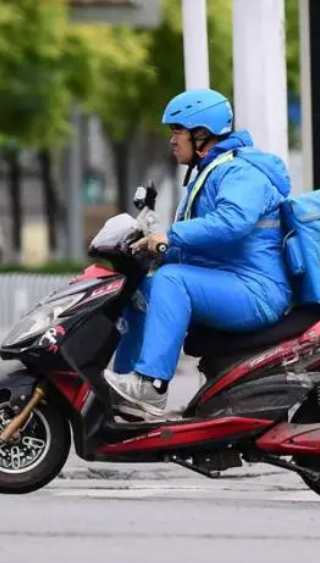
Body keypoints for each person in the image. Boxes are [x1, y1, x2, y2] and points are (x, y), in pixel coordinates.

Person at [103, 88, 293, 420]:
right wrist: (153, 247)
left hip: (256, 290)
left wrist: (169, 237)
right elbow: (205, 245)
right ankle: (124, 391)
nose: (172, 140)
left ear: (201, 134)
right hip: (230, 281)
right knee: (140, 292)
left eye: (177, 131)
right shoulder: (212, 171)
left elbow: (232, 223)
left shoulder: (240, 172)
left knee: (172, 281)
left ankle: (151, 385)